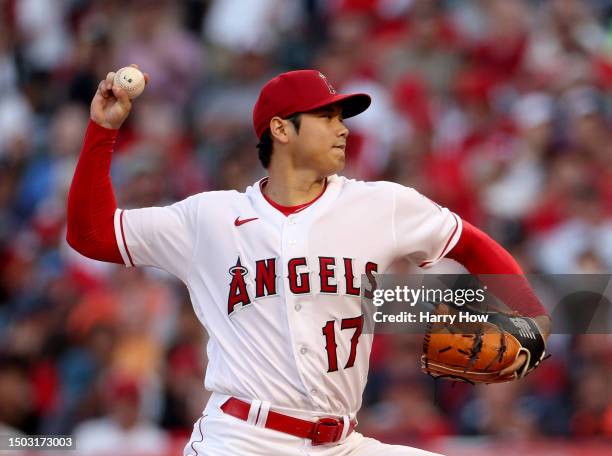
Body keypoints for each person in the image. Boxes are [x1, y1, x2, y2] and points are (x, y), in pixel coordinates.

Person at [67, 66, 551, 455]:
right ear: (281, 128)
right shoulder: (209, 218)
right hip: (242, 439)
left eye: (343, 117)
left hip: (340, 441)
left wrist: (531, 310)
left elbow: (469, 242)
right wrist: (102, 132)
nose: (343, 129)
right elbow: (91, 235)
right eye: (327, 117)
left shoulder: (380, 204)